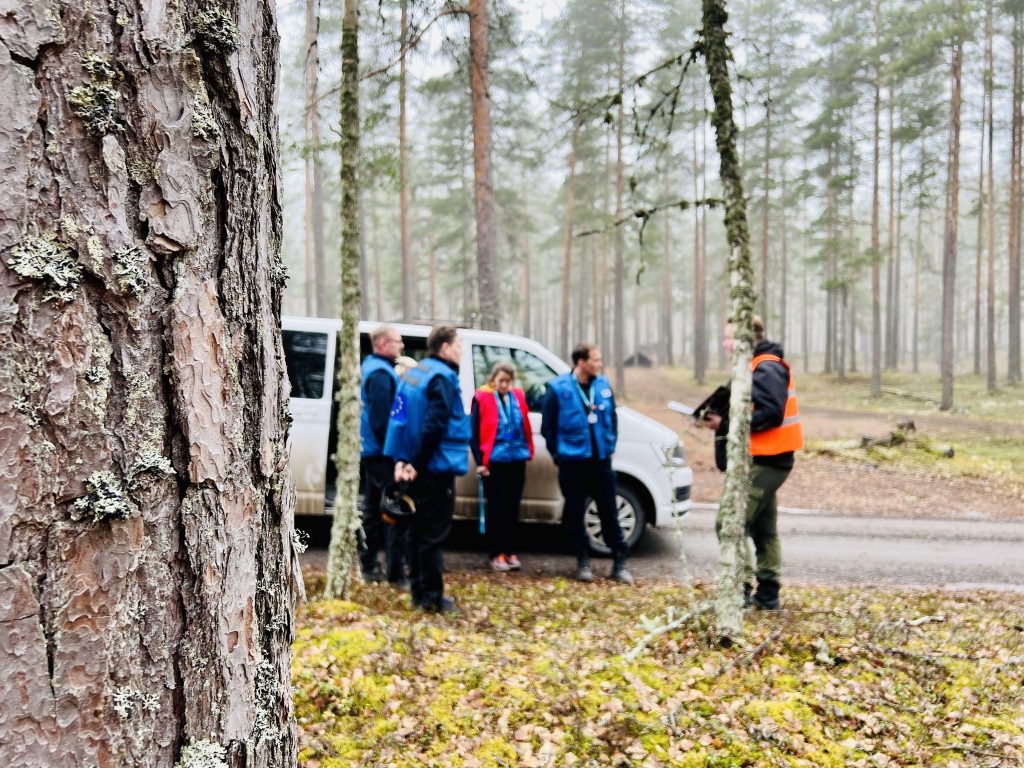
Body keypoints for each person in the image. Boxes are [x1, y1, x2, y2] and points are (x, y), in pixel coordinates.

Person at [702, 315, 803, 610]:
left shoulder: (766, 368)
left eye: (729, 338)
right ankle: (768, 594)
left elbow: (770, 413)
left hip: (767, 460)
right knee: (763, 527)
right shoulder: (756, 366)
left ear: (746, 340)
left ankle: (740, 589)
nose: (725, 344)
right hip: (764, 458)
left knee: (729, 522)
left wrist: (725, 423)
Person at [384, 325, 470, 613]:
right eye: (458, 346)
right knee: (432, 533)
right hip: (434, 467)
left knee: (414, 530)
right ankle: (432, 598)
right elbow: (435, 425)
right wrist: (416, 464)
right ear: (444, 347)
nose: (460, 351)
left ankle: (418, 594)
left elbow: (399, 418)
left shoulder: (414, 374)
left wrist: (401, 460)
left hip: (411, 465)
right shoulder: (442, 377)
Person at [541, 343, 633, 585]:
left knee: (609, 511)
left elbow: (612, 418)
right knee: (575, 513)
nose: (600, 364)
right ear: (581, 362)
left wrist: (610, 445)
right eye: (595, 360)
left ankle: (619, 561)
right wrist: (558, 456)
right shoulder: (558, 388)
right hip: (572, 463)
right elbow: (548, 428)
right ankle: (582, 560)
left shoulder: (603, 385)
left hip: (600, 461)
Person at [471, 361, 534, 572]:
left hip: (516, 459)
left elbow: (524, 424)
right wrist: (480, 462)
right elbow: (474, 433)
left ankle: (510, 550)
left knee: (513, 508)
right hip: (494, 462)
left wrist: (528, 450)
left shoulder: (518, 396)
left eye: (508, 381)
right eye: (501, 381)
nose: (504, 385)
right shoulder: (482, 398)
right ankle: (496, 552)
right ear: (493, 379)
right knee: (497, 508)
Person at [359, 325, 405, 584]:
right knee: (386, 508)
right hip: (380, 453)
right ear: (382, 344)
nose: (401, 345)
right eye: (397, 341)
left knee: (374, 506)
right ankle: (380, 566)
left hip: (373, 450)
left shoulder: (374, 367)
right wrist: (395, 453)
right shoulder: (380, 374)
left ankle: (370, 563)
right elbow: (381, 421)